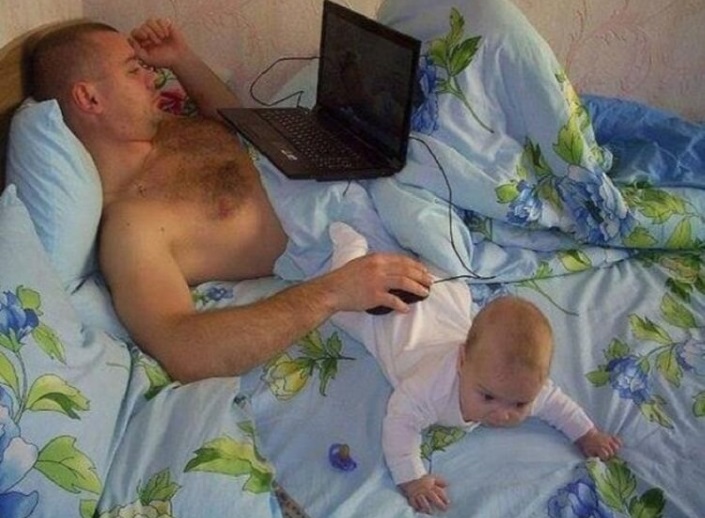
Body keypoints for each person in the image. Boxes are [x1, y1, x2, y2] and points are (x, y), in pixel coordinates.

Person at [29, 18, 432, 383]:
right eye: (133, 71)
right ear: (90, 99)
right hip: (356, 228)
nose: (152, 78)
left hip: (358, 165)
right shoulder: (132, 227)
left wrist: (182, 59)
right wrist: (333, 292)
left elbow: (234, 126)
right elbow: (182, 348)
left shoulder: (162, 129)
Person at [328, 222, 622, 515]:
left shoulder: (518, 383)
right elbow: (399, 422)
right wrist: (412, 479)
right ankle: (350, 247)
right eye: (488, 397)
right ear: (461, 361)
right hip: (391, 319)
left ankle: (416, 258)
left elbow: (557, 404)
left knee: (449, 285)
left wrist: (587, 434)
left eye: (520, 404)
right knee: (340, 309)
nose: (504, 414)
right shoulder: (430, 388)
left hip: (441, 308)